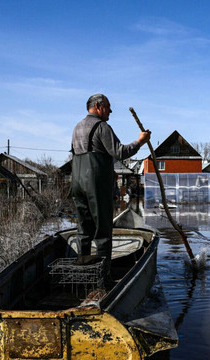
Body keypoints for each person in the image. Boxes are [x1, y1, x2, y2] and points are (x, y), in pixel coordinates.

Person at [70, 94, 150, 280]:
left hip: (77, 183)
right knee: (103, 230)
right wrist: (140, 141)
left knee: (84, 227)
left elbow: (86, 154)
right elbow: (120, 152)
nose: (111, 111)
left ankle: (84, 271)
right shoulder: (101, 127)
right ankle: (103, 278)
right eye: (108, 107)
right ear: (98, 106)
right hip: (95, 185)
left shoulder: (77, 127)